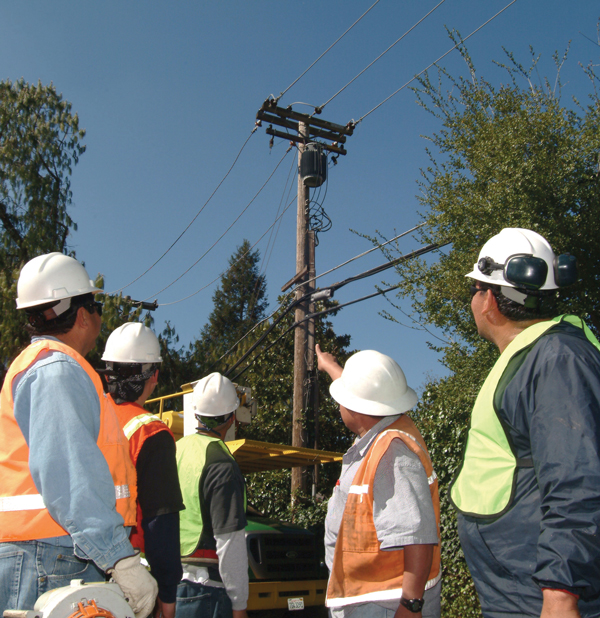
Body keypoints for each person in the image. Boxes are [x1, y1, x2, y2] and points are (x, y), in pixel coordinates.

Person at [451, 227, 600, 618]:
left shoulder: (556, 359)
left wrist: (561, 592)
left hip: (540, 598)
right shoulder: (538, 357)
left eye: (475, 289)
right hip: (519, 592)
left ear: (488, 302)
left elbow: (578, 482)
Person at [0, 252, 157, 617]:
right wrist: (120, 558)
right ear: (84, 315)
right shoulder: (58, 369)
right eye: (96, 304)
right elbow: (70, 476)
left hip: (39, 550)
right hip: (53, 554)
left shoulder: (37, 367)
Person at [316, 345, 441, 618]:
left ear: (356, 408)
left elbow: (416, 535)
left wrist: (411, 607)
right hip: (373, 598)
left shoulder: (390, 452)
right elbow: (364, 392)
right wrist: (329, 365)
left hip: (386, 603)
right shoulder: (384, 428)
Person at [101, 322, 185, 618]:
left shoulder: (87, 413)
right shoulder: (150, 432)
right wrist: (167, 594)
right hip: (128, 584)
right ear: (155, 376)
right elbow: (159, 523)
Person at [175, 372, 248, 618]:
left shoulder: (176, 450)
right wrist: (239, 604)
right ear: (231, 418)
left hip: (167, 585)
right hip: (206, 592)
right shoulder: (222, 463)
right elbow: (230, 540)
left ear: (195, 413)